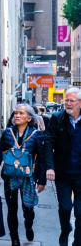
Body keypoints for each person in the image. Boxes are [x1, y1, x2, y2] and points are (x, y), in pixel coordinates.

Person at [0, 103, 49, 246]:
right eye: (16, 113)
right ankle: (14, 239)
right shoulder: (8, 133)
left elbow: (42, 159)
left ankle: (29, 225)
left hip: (28, 178)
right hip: (9, 175)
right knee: (11, 208)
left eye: (21, 113)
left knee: (28, 208)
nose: (17, 115)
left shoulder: (36, 135)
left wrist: (42, 181)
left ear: (29, 118)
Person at [45, 87, 81, 246]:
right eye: (66, 100)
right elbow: (48, 144)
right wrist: (50, 167)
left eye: (71, 100)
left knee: (80, 212)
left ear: (79, 103)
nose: (67, 103)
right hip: (63, 174)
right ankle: (65, 230)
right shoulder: (57, 118)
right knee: (65, 208)